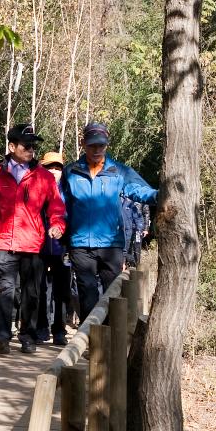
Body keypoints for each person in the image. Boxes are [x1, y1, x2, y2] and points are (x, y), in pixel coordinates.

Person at [0, 124, 67, 355]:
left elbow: (56, 207)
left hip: (33, 244)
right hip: (4, 242)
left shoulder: (44, 177)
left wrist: (57, 225)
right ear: (12, 146)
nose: (31, 150)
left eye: (34, 146)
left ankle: (28, 336)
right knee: (6, 289)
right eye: (26, 145)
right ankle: (0, 336)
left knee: (31, 293)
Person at [60, 122, 158, 320]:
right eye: (92, 145)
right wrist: (59, 229)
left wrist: (162, 195)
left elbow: (140, 190)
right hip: (80, 243)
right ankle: (90, 342)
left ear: (107, 145)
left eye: (101, 146)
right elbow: (60, 205)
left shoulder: (119, 172)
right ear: (83, 144)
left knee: (111, 294)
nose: (97, 150)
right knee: (86, 292)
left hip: (111, 244)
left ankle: (109, 342)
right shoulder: (70, 172)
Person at [38, 151, 74, 345]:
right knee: (40, 288)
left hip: (62, 247)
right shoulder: (36, 188)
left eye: (58, 167)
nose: (54, 171)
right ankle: (42, 327)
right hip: (39, 246)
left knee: (62, 290)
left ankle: (59, 330)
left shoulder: (69, 191)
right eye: (49, 167)